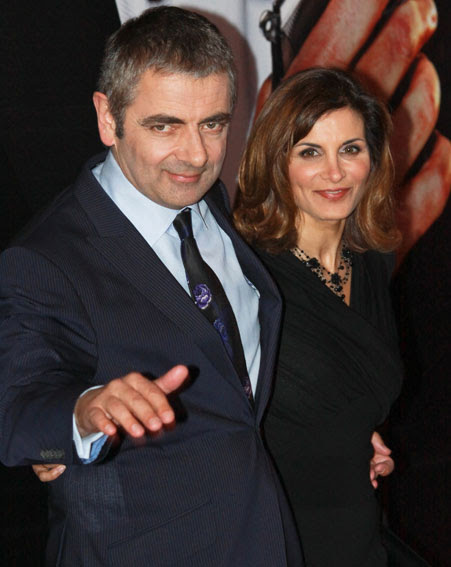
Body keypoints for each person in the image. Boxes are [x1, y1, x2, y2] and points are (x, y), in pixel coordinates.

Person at [0, 7, 305, 566]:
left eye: (213, 124)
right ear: (108, 118)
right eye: (164, 126)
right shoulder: (46, 258)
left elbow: (236, 386)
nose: (196, 155)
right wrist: (82, 413)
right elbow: (16, 416)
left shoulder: (209, 202)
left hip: (262, 537)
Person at [234, 67, 404, 566]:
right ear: (277, 162)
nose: (335, 173)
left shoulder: (373, 261)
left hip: (359, 530)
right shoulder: (245, 273)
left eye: (350, 149)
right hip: (277, 538)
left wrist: (354, 437)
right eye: (310, 152)